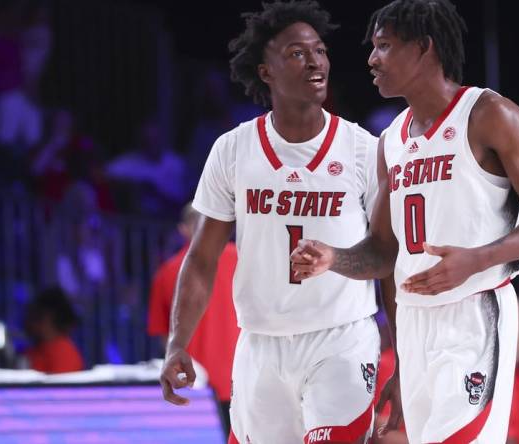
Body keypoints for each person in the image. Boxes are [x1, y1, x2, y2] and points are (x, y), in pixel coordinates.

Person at [291, 0, 519, 441]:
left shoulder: (489, 115)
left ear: (424, 48)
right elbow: (383, 253)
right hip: (415, 326)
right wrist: (333, 258)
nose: (371, 59)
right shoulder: (391, 141)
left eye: (384, 46)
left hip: (474, 311)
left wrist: (477, 259)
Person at [160, 2, 386, 443]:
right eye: (297, 53)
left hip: (341, 338)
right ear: (266, 72)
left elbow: (386, 253)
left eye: (319, 51)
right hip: (260, 343)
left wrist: (336, 260)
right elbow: (202, 259)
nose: (315, 61)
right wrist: (177, 342)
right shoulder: (233, 150)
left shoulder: (362, 148)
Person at [147, 202, 239, 431]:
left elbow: (163, 337)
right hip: (242, 379)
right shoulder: (242, 259)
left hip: (193, 385)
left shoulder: (167, 272)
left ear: (183, 229)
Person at [24, 287, 84, 374]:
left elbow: (60, 386)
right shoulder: (36, 349)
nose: (28, 321)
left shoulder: (63, 352)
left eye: (38, 316)